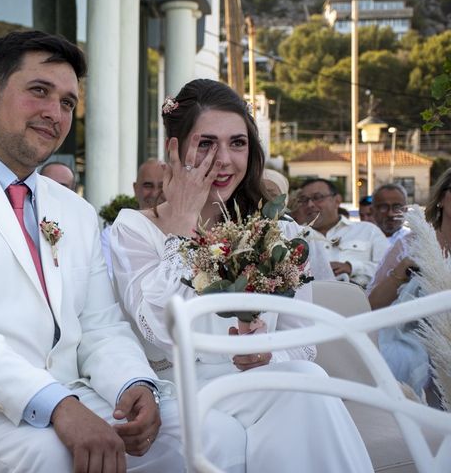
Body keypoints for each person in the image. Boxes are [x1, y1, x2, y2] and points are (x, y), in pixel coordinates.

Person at [0, 31, 243, 473]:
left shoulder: (74, 209)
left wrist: (134, 384)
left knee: (212, 437)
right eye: (39, 92)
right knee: (55, 457)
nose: (55, 113)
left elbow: (100, 326)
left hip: (62, 395)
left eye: (68, 103)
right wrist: (58, 406)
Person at [110, 79, 372, 472]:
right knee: (305, 385)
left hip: (262, 380)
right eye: (205, 144)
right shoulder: (133, 228)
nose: (224, 160)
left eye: (237, 143)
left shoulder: (278, 232)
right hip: (181, 388)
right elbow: (160, 329)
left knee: (304, 377)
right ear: (174, 149)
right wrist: (181, 223)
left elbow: (303, 342)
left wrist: (269, 351)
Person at [366, 169, 451, 400]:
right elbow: (372, 304)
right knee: (399, 356)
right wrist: (402, 271)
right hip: (409, 335)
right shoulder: (410, 244)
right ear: (442, 199)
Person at [298, 178, 389, 288]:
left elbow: (390, 269)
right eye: (303, 200)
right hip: (310, 303)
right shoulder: (294, 237)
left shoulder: (368, 231)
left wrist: (352, 268)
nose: (310, 204)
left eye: (317, 197)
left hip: (363, 302)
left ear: (337, 200)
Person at [101, 158, 165, 277]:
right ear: (136, 189)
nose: (155, 193)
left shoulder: (184, 231)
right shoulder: (111, 235)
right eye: (148, 185)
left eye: (162, 186)